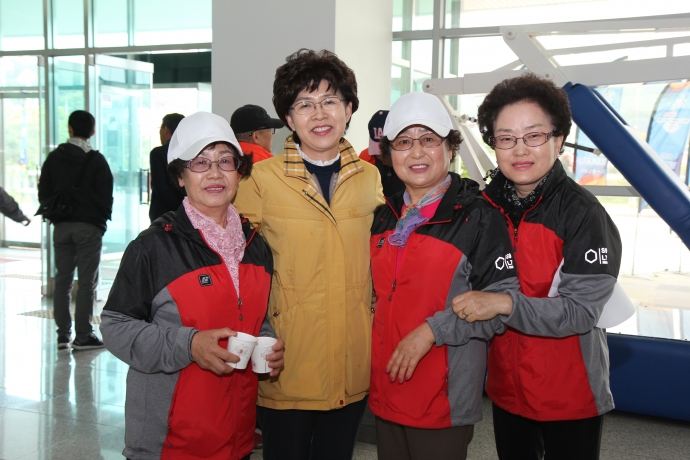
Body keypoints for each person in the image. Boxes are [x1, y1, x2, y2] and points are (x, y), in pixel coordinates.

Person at [451, 73, 622, 460]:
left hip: (570, 393)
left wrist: (503, 303)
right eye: (506, 138)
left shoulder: (583, 214)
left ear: (558, 140)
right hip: (508, 390)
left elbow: (580, 312)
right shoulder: (485, 208)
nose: (520, 150)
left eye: (534, 135)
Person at [100, 111, 285, 460]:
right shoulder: (154, 247)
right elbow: (115, 327)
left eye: (225, 161)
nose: (215, 173)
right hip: (170, 442)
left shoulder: (255, 245)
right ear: (180, 176)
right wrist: (190, 345)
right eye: (200, 162)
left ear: (239, 172)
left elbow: (250, 315)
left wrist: (266, 339)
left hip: (237, 436)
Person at [233, 49, 384, 460]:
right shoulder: (261, 179)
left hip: (351, 361)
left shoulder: (370, 178)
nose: (319, 114)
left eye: (330, 100)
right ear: (288, 117)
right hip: (287, 362)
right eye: (304, 104)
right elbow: (239, 265)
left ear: (349, 109)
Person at [368, 92, 519, 460]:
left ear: (450, 148)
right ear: (390, 153)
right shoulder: (383, 216)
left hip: (442, 399)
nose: (416, 152)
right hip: (386, 390)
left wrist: (432, 331)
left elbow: (502, 306)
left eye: (429, 139)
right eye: (404, 142)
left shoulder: (479, 217)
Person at [38, 110, 113, 351]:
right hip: (89, 227)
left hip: (61, 226)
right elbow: (106, 195)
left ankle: (63, 336)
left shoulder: (54, 158)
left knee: (63, 280)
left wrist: (55, 214)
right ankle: (83, 335)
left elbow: (44, 190)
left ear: (70, 129)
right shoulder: (97, 160)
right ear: (92, 131)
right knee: (87, 283)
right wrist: (100, 221)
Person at [359, 110, 405, 197]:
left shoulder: (408, 158)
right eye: (376, 147)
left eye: (385, 148)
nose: (380, 154)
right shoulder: (364, 158)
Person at [149, 113, 185, 222]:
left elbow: (161, 188)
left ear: (165, 130)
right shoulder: (189, 152)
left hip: (162, 214)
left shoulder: (158, 153)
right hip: (186, 213)